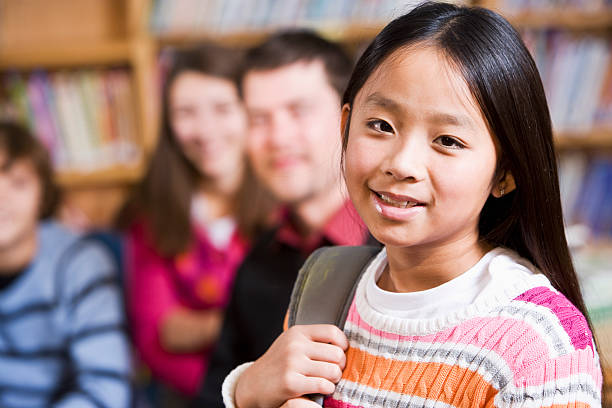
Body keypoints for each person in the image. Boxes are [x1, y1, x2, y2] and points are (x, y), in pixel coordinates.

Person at [226, 3, 604, 407]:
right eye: (381, 126)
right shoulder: (325, 286)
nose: (401, 164)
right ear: (345, 126)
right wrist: (247, 391)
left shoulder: (538, 345)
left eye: (447, 141)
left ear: (505, 173)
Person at [196, 31, 373, 407]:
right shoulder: (258, 263)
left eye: (298, 111)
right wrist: (245, 391)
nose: (277, 137)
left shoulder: (405, 246)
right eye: (259, 119)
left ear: (350, 115)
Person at [117, 44, 272, 397]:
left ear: (249, 112)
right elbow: (156, 339)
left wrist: (197, 327)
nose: (205, 130)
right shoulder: (153, 212)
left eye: (221, 109)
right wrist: (237, 393)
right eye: (186, 112)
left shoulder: (286, 204)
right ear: (169, 125)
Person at [0, 122, 132, 407]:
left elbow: (106, 390)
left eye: (18, 183)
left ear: (42, 194)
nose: (2, 198)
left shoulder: (80, 266)